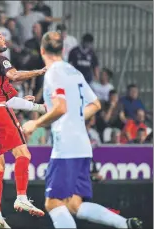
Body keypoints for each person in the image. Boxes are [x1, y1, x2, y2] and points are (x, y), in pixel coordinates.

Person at [23, 31, 142, 229]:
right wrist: (72, 115)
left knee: (53, 203)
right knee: (74, 204)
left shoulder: (53, 72)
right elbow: (95, 104)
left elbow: (61, 108)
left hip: (66, 147)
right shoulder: (74, 71)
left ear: (42, 50)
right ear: (62, 50)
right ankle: (125, 224)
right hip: (82, 146)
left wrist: (34, 124)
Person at [0, 26, 46, 228]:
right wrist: (39, 72)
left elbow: (10, 99)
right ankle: (21, 196)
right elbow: (14, 77)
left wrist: (37, 107)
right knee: (23, 154)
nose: (4, 39)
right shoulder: (0, 60)